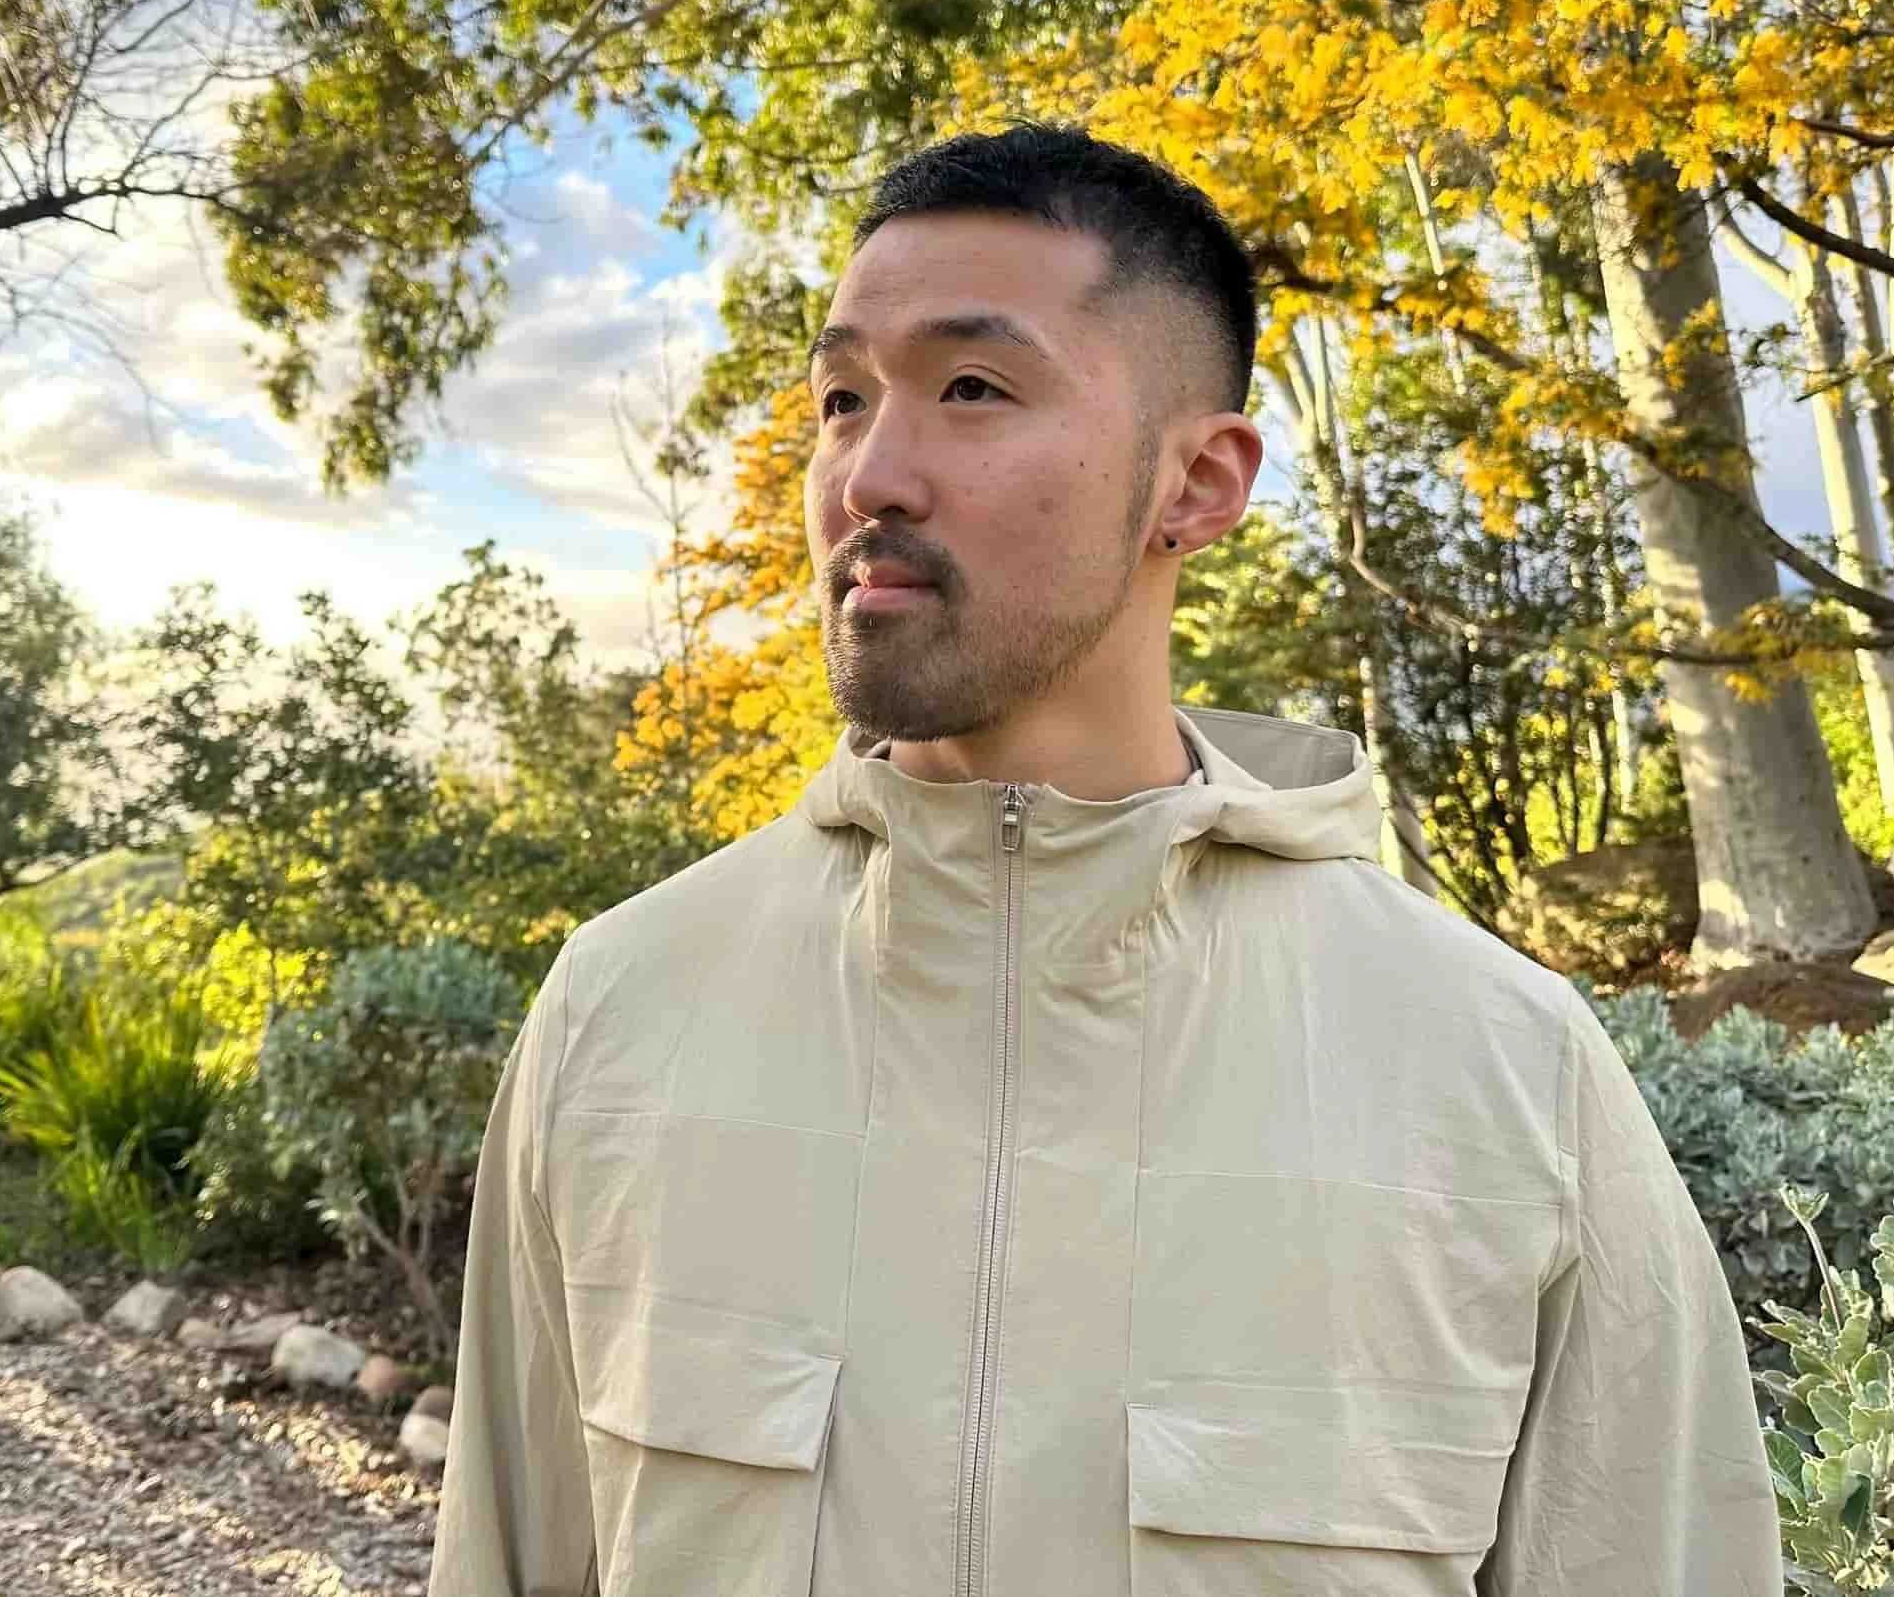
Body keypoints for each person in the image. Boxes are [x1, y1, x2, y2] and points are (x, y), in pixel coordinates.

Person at [427, 125, 1780, 1597]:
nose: (869, 469)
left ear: (1196, 484)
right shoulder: (621, 1014)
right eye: (841, 397)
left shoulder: (1505, 1076)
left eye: (972, 388)